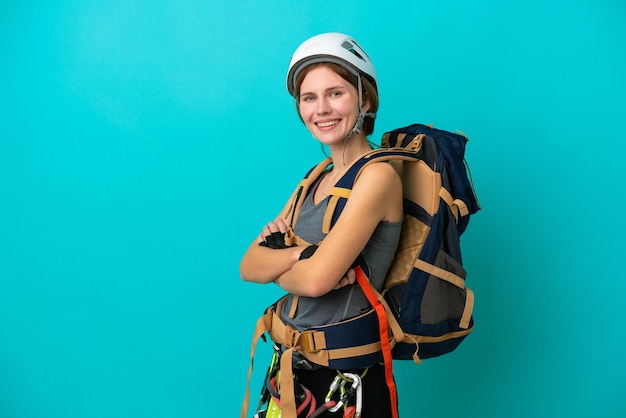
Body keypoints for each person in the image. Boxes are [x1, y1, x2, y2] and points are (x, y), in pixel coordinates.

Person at [240, 32, 403, 418]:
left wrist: (280, 260)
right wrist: (303, 255)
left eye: (335, 93)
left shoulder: (377, 178)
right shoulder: (316, 176)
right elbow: (248, 265)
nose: (321, 109)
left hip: (344, 384)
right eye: (309, 97)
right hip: (288, 373)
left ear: (364, 99)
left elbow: (315, 282)